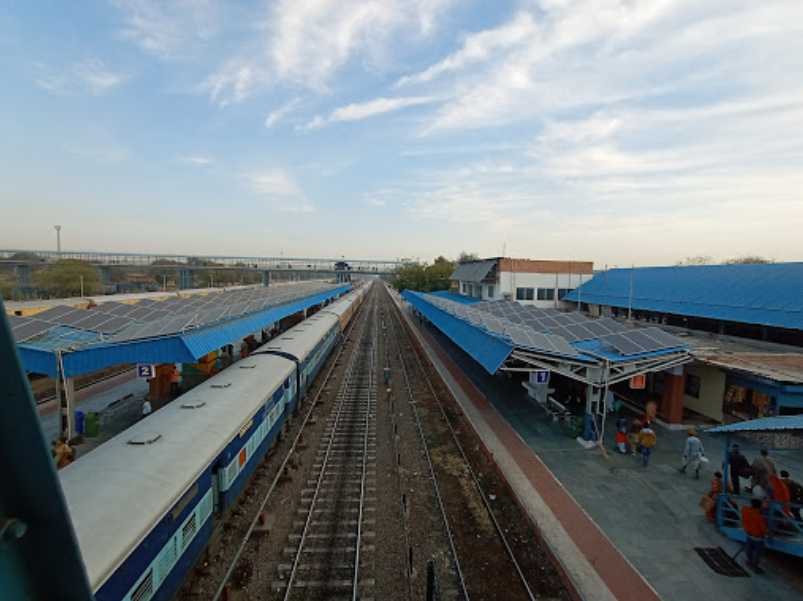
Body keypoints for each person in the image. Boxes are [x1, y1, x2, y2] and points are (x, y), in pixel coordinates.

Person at [741, 498, 768, 573]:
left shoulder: (746, 511)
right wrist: (768, 532)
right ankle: (754, 565)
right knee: (757, 552)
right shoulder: (758, 516)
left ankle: (749, 561)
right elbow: (763, 528)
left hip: (749, 534)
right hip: (758, 537)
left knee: (749, 549)